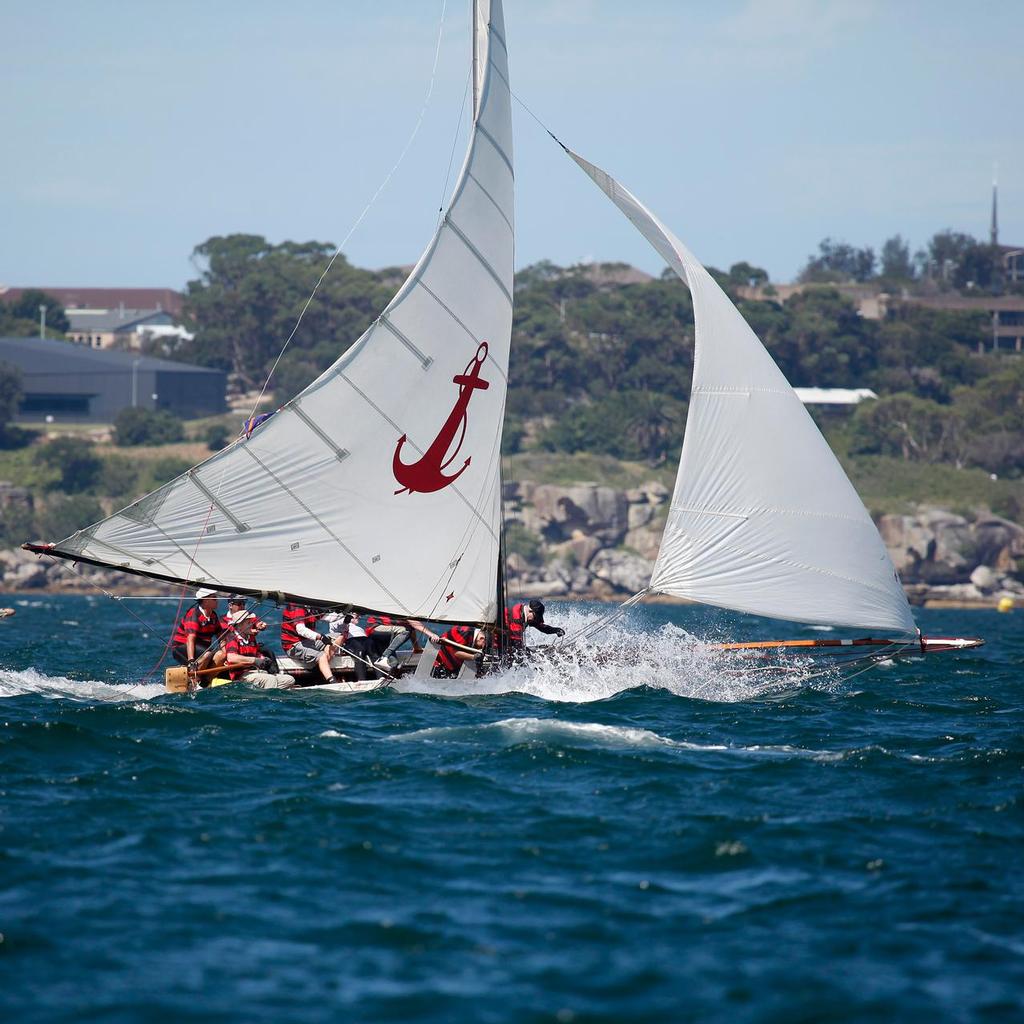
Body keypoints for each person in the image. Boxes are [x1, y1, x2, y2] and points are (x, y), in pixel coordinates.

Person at [223, 611, 295, 688]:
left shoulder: (251, 637)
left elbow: (257, 653)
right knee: (270, 680)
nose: (251, 625)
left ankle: (267, 692)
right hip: (242, 675)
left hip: (257, 672)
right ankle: (270, 697)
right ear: (239, 625)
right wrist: (254, 660)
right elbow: (231, 657)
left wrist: (264, 660)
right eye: (248, 623)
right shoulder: (232, 638)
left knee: (289, 679)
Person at [280, 603, 335, 684]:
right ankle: (332, 681)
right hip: (293, 645)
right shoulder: (296, 607)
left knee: (336, 637)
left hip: (308, 641)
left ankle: (320, 669)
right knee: (321, 656)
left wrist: (345, 616)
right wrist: (320, 637)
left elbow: (328, 617)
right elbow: (300, 629)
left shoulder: (309, 606)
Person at [171, 588, 226, 667]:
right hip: (182, 648)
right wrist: (191, 660)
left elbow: (221, 637)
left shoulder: (213, 616)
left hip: (202, 649)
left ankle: (208, 677)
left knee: (221, 655)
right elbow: (190, 639)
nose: (217, 600)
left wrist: (225, 654)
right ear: (205, 600)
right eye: (214, 598)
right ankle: (195, 676)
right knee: (207, 654)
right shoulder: (193, 615)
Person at [366, 614, 439, 673]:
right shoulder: (406, 612)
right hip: (375, 628)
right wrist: (432, 634)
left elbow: (412, 630)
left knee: (394, 663)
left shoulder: (407, 623)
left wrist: (417, 648)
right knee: (405, 631)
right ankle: (384, 657)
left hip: (385, 636)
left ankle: (388, 680)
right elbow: (415, 624)